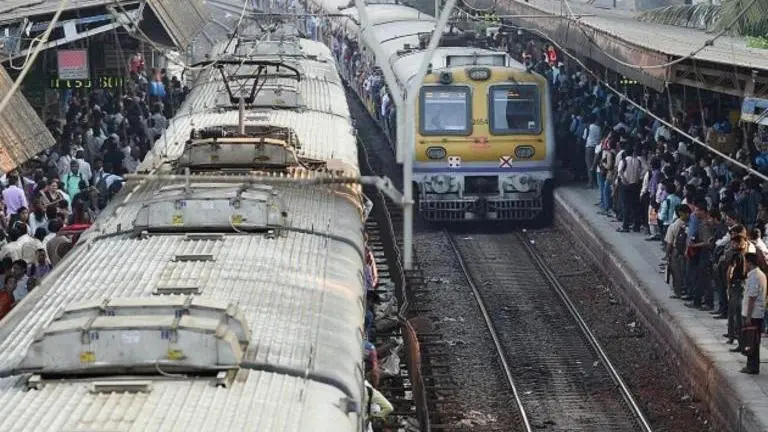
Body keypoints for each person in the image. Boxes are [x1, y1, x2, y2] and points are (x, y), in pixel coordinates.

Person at [740, 252, 766, 374]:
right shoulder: (760, 274)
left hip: (754, 314)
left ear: (749, 263)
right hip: (758, 313)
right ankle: (751, 365)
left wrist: (748, 316)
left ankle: (752, 366)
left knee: (752, 341)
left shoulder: (754, 276)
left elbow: (752, 297)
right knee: (753, 341)